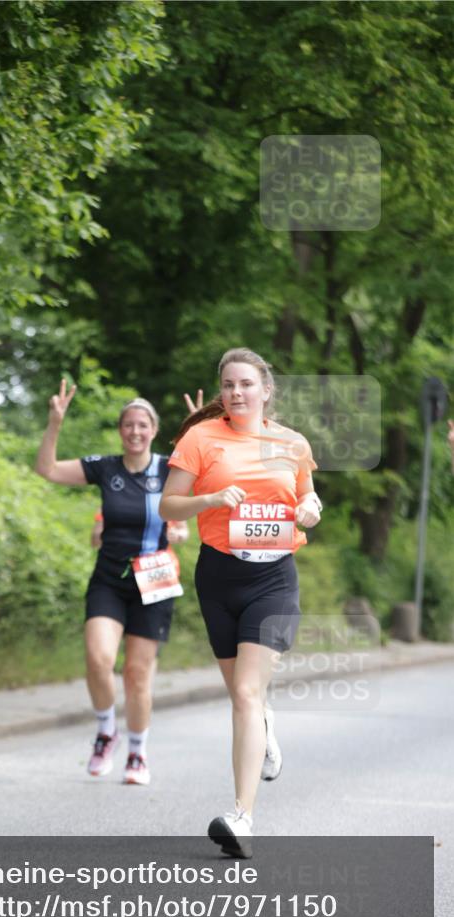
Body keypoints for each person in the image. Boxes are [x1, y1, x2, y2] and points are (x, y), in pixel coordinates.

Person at [159, 348, 322, 858]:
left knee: (247, 694)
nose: (236, 392)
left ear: (265, 390)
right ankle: (266, 724)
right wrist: (208, 499)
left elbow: (308, 498)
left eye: (246, 384)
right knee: (243, 697)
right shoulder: (200, 439)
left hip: (273, 579)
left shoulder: (291, 443)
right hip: (219, 576)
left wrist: (310, 509)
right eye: (228, 385)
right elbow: (167, 503)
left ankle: (242, 816)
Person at [35, 380, 187, 786]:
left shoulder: (170, 468)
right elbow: (46, 470)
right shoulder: (106, 467)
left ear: (153, 430)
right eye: (128, 425)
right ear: (121, 430)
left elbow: (190, 506)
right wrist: (54, 423)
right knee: (99, 659)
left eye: (143, 425)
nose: (135, 432)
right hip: (110, 578)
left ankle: (137, 754)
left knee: (137, 675)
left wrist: (181, 529)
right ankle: (106, 732)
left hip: (154, 580)